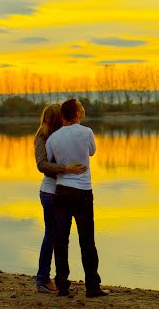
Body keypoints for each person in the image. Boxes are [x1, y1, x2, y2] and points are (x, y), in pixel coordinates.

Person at [46, 98, 107, 298]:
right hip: (82, 191)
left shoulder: (52, 138)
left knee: (61, 240)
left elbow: (50, 161)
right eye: (82, 108)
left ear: (63, 115)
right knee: (87, 240)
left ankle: (62, 285)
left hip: (61, 191)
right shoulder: (86, 132)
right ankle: (92, 286)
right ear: (78, 114)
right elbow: (91, 151)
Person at [34, 103, 86, 293]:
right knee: (52, 236)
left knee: (59, 237)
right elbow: (42, 165)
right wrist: (66, 169)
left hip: (63, 192)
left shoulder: (60, 138)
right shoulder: (43, 137)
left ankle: (59, 281)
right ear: (57, 118)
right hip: (50, 193)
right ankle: (43, 279)